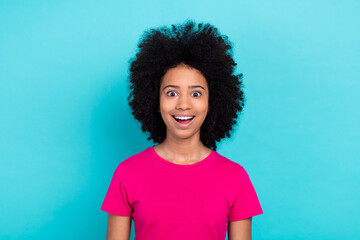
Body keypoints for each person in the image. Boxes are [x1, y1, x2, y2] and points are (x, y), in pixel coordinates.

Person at [100, 19, 263, 240]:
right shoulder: (127, 173)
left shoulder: (235, 178)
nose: (183, 105)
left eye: (196, 93)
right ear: (154, 101)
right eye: (171, 93)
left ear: (212, 102)